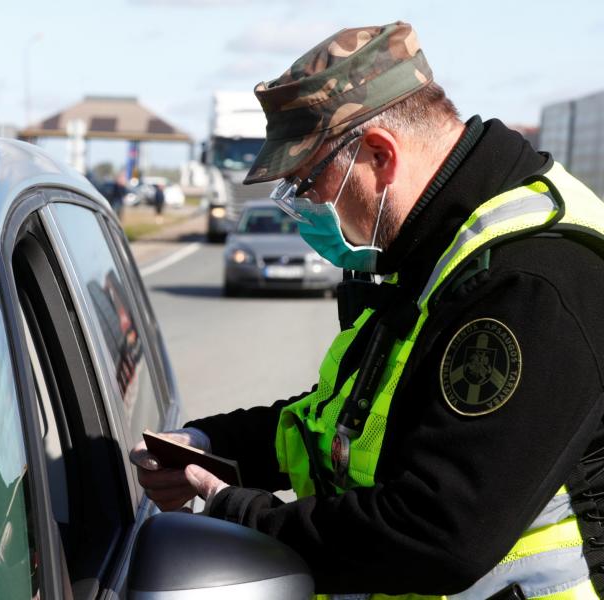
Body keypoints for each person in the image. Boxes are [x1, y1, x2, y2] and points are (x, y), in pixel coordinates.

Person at [131, 21, 604, 597]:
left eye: (307, 184)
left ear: (379, 156)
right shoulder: (435, 252)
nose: (302, 209)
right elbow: (341, 429)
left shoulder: (530, 282)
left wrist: (239, 514)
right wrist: (209, 445)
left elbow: (438, 531)